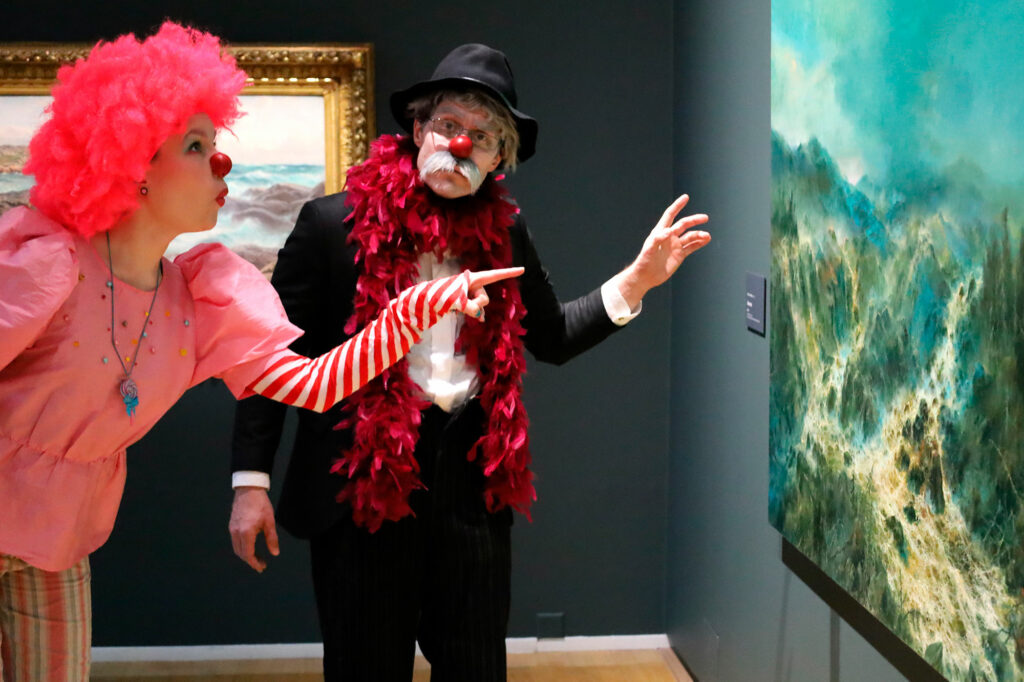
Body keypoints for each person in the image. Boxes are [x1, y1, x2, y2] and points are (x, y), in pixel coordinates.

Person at [0, 25, 519, 682]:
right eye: (196, 146)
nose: (222, 163)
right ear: (131, 166)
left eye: (215, 143)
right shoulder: (48, 265)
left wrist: (407, 315)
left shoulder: (200, 296)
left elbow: (312, 384)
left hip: (55, 540)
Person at [229, 43, 711, 681]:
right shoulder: (329, 225)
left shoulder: (507, 235)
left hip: (470, 486)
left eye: (482, 137)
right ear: (418, 131)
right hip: (360, 487)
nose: (461, 145)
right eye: (449, 125)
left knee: (476, 668)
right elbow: (274, 361)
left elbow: (553, 336)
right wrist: (250, 483)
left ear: (499, 159)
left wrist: (637, 281)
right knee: (365, 668)